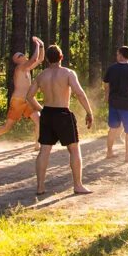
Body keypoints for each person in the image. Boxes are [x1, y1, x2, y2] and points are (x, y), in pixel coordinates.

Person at [25, 44, 95, 195]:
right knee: (74, 150)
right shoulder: (68, 73)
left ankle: (40, 187)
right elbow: (80, 93)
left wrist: (41, 109)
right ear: (61, 57)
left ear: (47, 60)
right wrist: (89, 112)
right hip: (62, 113)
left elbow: (29, 97)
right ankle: (78, 185)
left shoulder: (41, 75)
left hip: (47, 114)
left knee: (44, 150)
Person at [0, 36, 44, 151]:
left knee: (38, 120)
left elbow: (40, 59)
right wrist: (37, 45)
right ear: (17, 60)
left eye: (22, 54)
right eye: (20, 55)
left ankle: (37, 144)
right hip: (18, 101)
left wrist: (42, 45)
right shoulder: (20, 67)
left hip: (28, 100)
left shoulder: (27, 68)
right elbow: (34, 59)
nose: (23, 56)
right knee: (7, 127)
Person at [103, 45, 128, 161]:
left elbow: (106, 86)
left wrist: (107, 97)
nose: (116, 56)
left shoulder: (111, 69)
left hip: (114, 103)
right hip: (127, 104)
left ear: (121, 55)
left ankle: (109, 152)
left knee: (113, 128)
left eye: (117, 54)